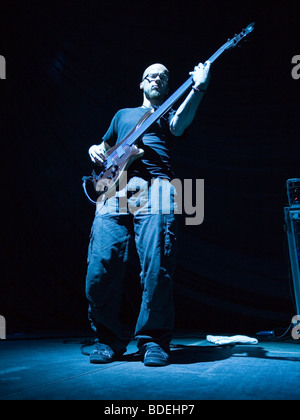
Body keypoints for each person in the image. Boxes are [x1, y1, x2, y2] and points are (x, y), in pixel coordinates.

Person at [86, 61, 210, 366]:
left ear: (167, 86)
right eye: (150, 76)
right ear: (141, 84)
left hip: (155, 186)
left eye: (163, 77)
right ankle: (107, 339)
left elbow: (179, 126)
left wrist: (199, 86)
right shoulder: (122, 115)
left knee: (156, 265)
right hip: (114, 188)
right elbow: (105, 146)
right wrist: (95, 148)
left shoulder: (168, 110)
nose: (156, 79)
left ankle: (153, 340)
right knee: (101, 263)